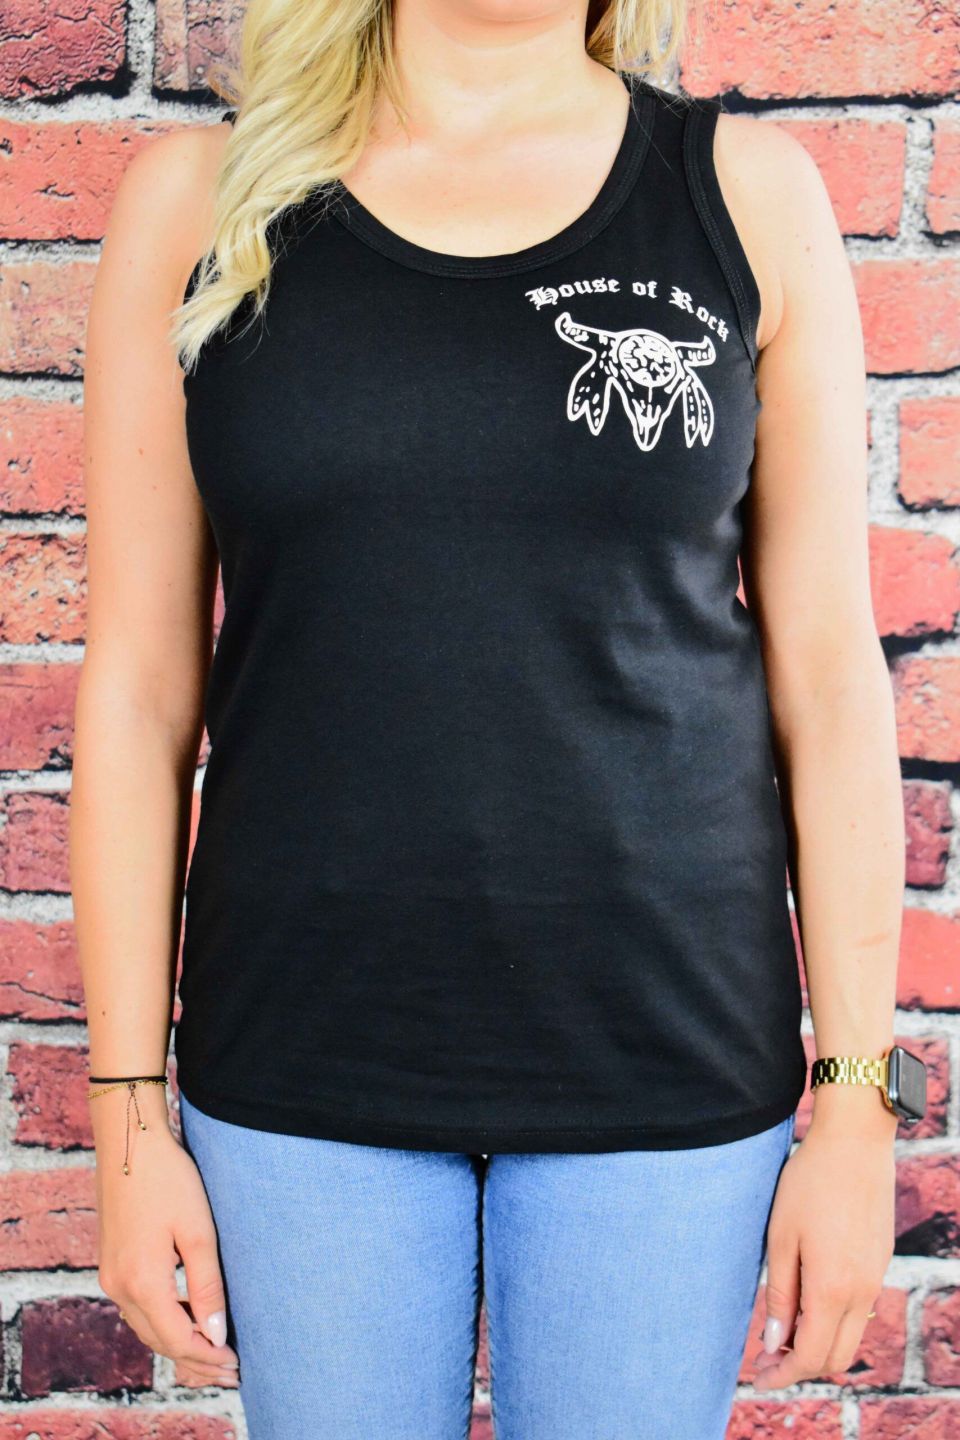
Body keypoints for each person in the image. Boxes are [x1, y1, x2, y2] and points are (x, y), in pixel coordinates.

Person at [70, 0, 916, 1435]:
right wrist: (125, 1111)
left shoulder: (745, 201)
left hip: (664, 1051)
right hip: (302, 1055)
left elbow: (832, 684)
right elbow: (139, 690)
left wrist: (853, 1107)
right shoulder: (200, 206)